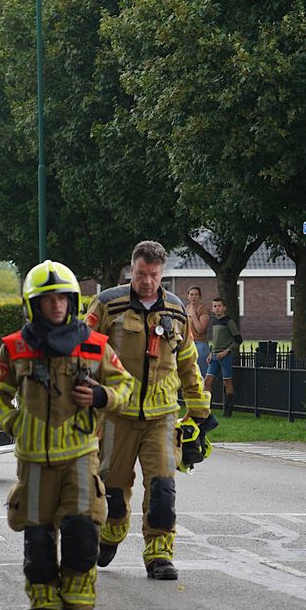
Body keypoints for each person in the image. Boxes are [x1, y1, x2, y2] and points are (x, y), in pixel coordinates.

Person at [0, 260, 132, 610]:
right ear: (34, 305)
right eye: (48, 300)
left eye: (63, 299)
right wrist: (15, 424)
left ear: (73, 301)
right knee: (37, 540)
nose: (56, 306)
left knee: (83, 532)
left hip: (81, 457)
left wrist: (102, 395)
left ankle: (79, 597)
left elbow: (125, 387)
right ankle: (44, 605)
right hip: (33, 462)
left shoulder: (95, 346)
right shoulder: (14, 348)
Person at [84, 241, 213, 582]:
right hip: (116, 415)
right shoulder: (108, 304)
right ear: (131, 269)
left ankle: (159, 555)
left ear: (162, 273)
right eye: (141, 274)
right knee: (112, 492)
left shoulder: (174, 309)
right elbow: (83, 353)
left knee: (162, 491)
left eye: (154, 275)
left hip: (162, 417)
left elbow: (187, 361)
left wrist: (199, 410)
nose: (147, 282)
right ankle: (110, 534)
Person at [204, 297, 243, 417]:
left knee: (227, 382)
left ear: (224, 308)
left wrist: (226, 351)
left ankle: (228, 411)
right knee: (207, 382)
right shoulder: (214, 321)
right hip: (214, 356)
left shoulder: (228, 321)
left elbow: (238, 340)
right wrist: (211, 353)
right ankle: (207, 409)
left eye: (219, 306)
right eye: (215, 306)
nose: (217, 308)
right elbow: (215, 340)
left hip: (225, 356)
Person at [186, 285, 211, 378]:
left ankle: (205, 392)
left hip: (200, 344)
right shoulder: (187, 308)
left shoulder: (203, 309)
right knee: (189, 372)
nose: (193, 297)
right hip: (189, 343)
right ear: (188, 296)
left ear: (200, 297)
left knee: (201, 373)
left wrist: (193, 315)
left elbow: (201, 329)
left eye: (196, 295)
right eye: (191, 294)